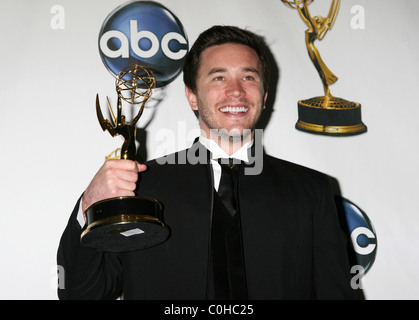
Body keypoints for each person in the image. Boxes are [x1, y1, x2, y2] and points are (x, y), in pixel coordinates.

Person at [57, 25, 355, 300]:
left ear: (264, 96)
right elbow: (80, 293)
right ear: (192, 97)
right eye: (219, 77)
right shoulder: (141, 187)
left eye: (248, 77)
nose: (236, 90)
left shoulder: (311, 190)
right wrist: (89, 203)